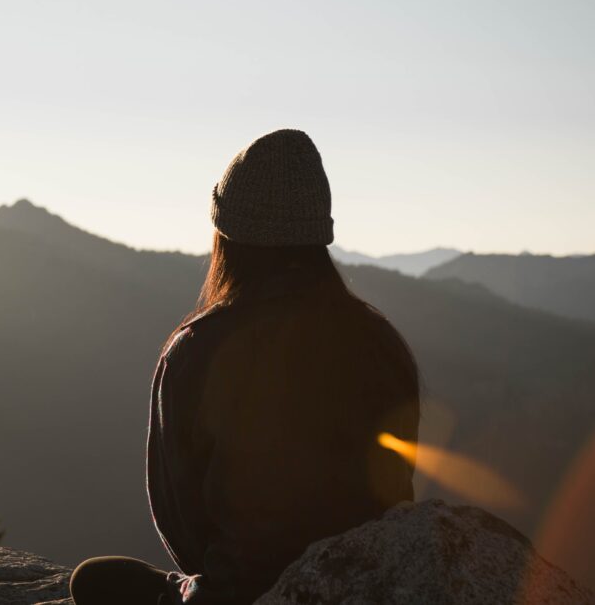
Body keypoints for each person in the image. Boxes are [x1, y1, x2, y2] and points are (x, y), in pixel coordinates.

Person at [69, 128, 421, 605]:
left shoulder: (199, 348)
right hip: (372, 586)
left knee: (97, 580)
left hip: (242, 596)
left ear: (228, 237)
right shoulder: (381, 342)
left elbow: (179, 509)